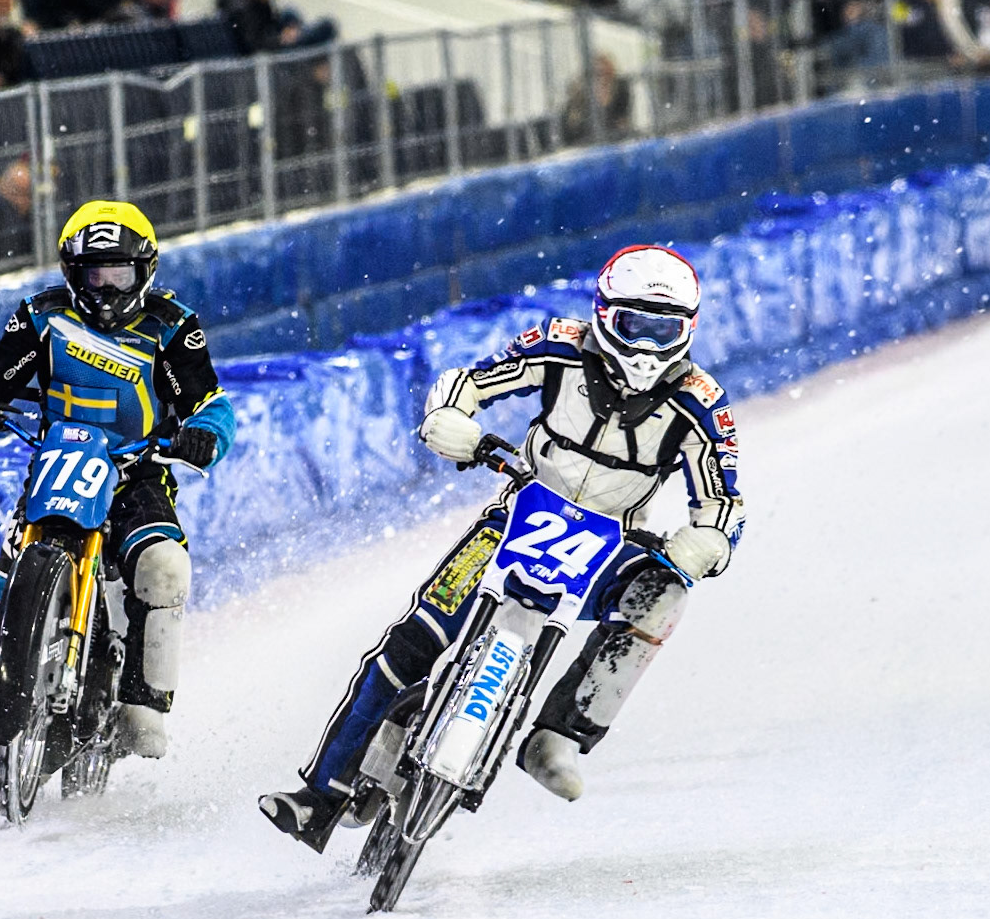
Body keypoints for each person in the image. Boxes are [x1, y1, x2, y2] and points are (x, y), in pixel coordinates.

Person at [260, 245, 745, 849]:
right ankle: (320, 798)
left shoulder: (701, 401)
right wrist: (451, 419)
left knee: (666, 593)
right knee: (411, 642)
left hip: (613, 540)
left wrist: (708, 543)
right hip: (518, 514)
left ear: (688, 330)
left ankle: (559, 736)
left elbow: (724, 500)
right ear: (602, 315)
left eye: (662, 330)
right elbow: (470, 381)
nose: (646, 346)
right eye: (633, 326)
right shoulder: (559, 343)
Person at [0, 199, 237, 813]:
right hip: (58, 468)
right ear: (70, 273)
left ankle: (143, 705)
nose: (104, 288)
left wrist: (203, 433)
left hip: (138, 473)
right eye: (92, 274)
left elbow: (212, 402)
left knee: (163, 568)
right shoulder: (41, 317)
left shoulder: (174, 327)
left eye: (118, 274)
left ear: (145, 271)